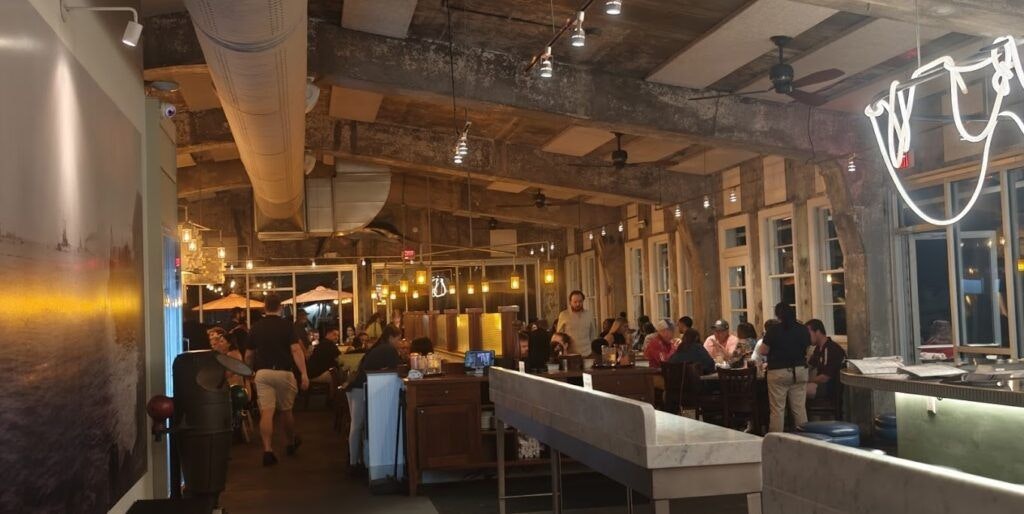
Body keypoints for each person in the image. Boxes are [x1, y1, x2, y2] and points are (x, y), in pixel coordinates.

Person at [249, 294, 309, 466]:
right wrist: (304, 374)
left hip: (263, 373)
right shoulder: (287, 326)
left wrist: (248, 372)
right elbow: (296, 350)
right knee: (286, 410)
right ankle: (290, 443)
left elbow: (249, 354)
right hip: (284, 372)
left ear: (264, 307)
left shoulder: (256, 327)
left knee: (267, 412)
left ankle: (267, 450)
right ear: (280, 307)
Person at [345, 325, 402, 475]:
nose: (399, 343)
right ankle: (353, 464)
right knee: (357, 425)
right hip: (359, 388)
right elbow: (398, 368)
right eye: (398, 339)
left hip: (355, 387)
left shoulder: (379, 347)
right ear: (391, 337)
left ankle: (355, 461)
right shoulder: (388, 349)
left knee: (357, 426)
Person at [761, 302, 811, 433]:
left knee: (777, 409)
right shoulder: (802, 329)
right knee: (799, 408)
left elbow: (763, 350)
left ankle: (776, 439)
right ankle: (805, 438)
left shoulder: (773, 330)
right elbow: (808, 348)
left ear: (778, 315)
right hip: (800, 370)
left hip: (778, 371)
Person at [805, 319, 847, 400]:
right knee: (794, 389)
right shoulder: (818, 348)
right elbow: (809, 366)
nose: (807, 337)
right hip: (820, 386)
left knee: (797, 391)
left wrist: (805, 380)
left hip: (829, 388)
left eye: (808, 334)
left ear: (817, 332)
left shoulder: (832, 348)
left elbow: (825, 377)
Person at [554, 290, 598, 357]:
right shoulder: (563, 315)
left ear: (583, 301)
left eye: (580, 301)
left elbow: (593, 334)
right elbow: (559, 336)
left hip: (587, 353)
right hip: (570, 354)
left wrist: (593, 351)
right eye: (575, 302)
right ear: (570, 302)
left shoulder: (589, 314)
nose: (578, 304)